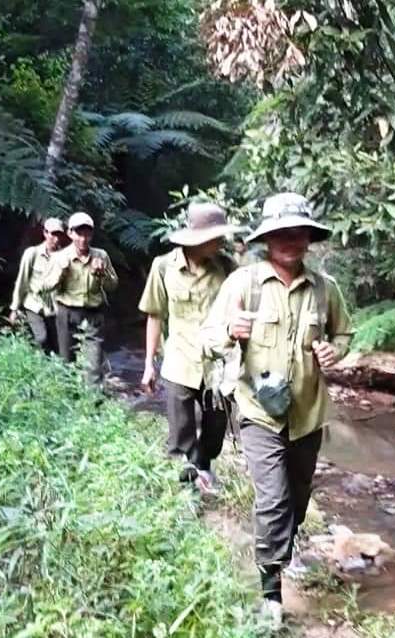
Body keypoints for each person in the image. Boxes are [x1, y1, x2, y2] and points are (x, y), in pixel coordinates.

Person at [201, 192, 352, 627]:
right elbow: (209, 338)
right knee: (273, 499)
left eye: (297, 232)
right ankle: (270, 590)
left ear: (308, 237)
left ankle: (281, 553)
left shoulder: (325, 289)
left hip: (308, 413)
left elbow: (344, 335)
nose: (290, 239)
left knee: (298, 500)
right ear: (266, 239)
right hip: (257, 412)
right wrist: (230, 330)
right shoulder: (242, 284)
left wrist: (333, 352)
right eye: (280, 233)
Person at [138, 202, 242, 492]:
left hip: (218, 367)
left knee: (215, 428)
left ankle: (203, 467)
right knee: (180, 435)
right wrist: (149, 364)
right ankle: (185, 487)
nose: (222, 241)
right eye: (216, 236)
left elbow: (241, 306)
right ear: (198, 238)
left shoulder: (227, 267)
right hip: (179, 361)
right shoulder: (163, 267)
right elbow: (155, 314)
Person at [41, 211, 118, 385]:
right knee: (67, 363)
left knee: (94, 366)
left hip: (93, 315)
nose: (83, 238)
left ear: (91, 234)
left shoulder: (101, 256)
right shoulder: (59, 257)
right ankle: (68, 403)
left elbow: (113, 286)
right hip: (67, 314)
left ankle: (92, 406)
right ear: (70, 234)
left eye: (87, 233)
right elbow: (45, 287)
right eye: (78, 233)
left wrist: (102, 274)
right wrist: (60, 272)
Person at [8, 217, 66, 354]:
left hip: (55, 307)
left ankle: (53, 370)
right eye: (52, 234)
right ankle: (39, 361)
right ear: (45, 233)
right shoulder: (32, 253)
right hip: (34, 305)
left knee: (58, 344)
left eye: (58, 234)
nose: (55, 238)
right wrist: (14, 309)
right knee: (41, 338)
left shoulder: (65, 256)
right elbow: (22, 281)